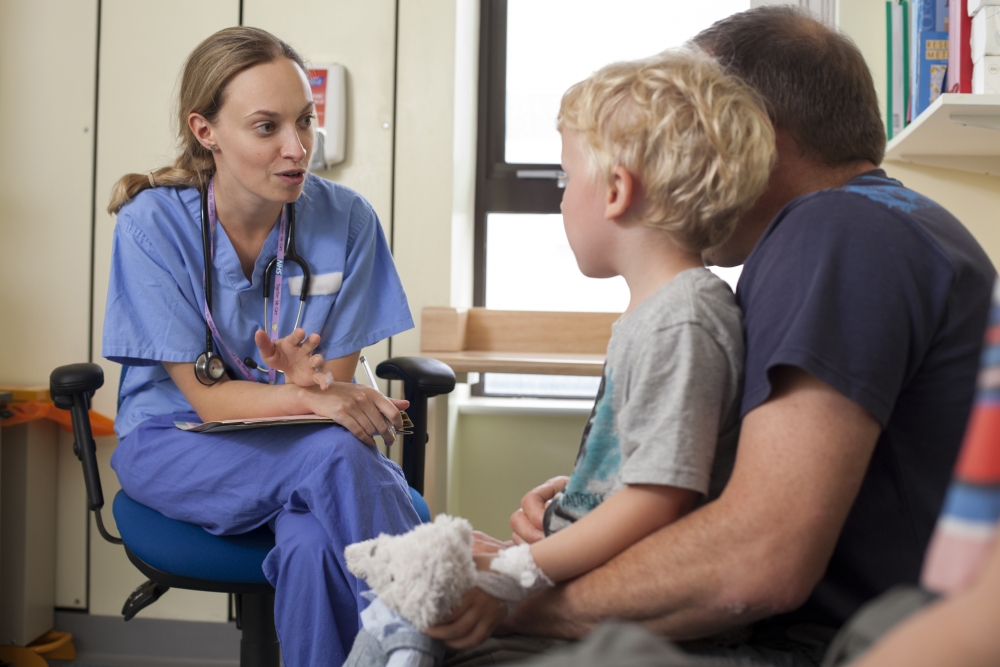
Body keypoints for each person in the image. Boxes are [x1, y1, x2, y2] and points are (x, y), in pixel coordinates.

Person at [488, 6, 996, 666]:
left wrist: (513, 597)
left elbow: (757, 558)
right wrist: (600, 498)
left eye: (686, 120)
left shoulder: (836, 232)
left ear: (750, 129)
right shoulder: (880, 221)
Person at [343, 48, 776, 667]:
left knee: (402, 624)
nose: (561, 198)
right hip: (584, 570)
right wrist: (581, 495)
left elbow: (658, 500)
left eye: (566, 180)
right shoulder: (656, 315)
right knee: (406, 607)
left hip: (633, 621)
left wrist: (517, 571)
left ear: (618, 191)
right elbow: (643, 473)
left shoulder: (684, 319)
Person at [102, 27, 419, 666]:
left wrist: (313, 389)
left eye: (304, 121)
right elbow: (210, 402)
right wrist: (313, 398)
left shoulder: (347, 221)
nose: (297, 148)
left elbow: (334, 398)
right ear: (206, 131)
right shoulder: (152, 226)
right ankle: (442, 619)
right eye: (267, 126)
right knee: (330, 457)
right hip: (176, 439)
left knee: (311, 541)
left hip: (300, 443)